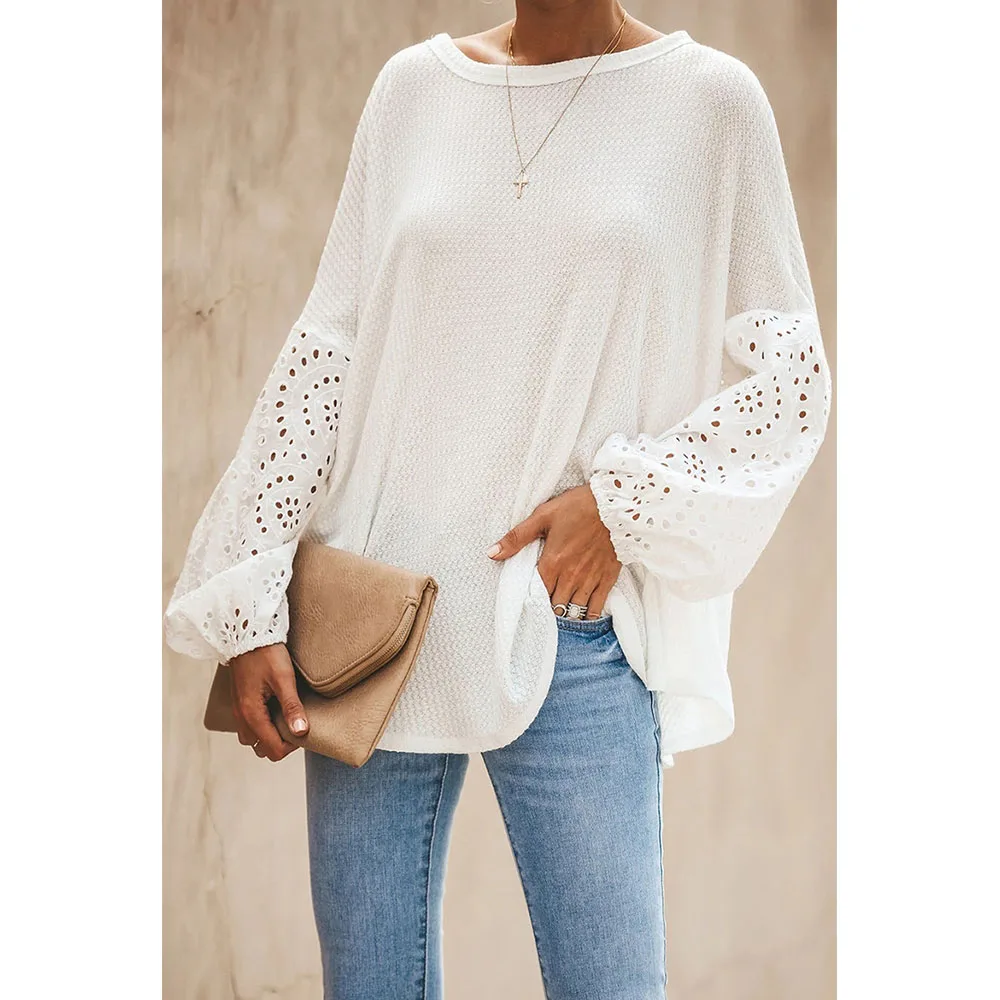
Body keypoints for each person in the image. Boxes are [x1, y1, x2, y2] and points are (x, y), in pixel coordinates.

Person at [164, 3, 832, 998]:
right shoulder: (412, 91)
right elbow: (328, 349)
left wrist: (622, 504)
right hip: (369, 624)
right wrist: (251, 597)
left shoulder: (710, 104)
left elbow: (792, 382)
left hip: (567, 623)